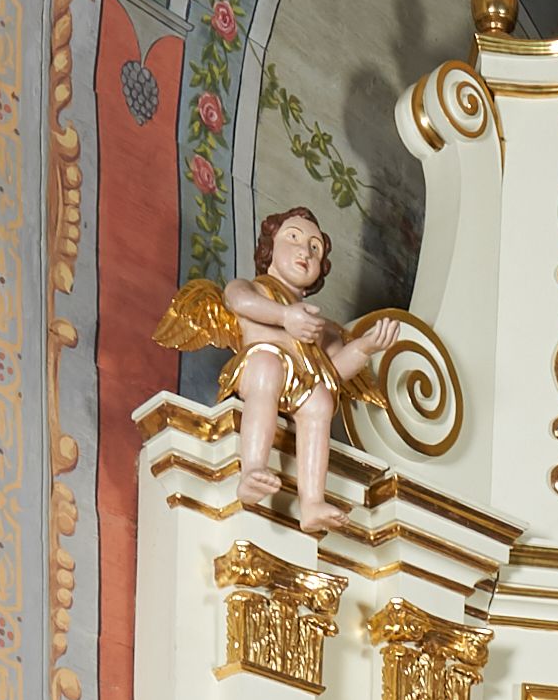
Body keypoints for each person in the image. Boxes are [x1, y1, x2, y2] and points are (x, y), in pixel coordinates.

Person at [154, 207, 400, 527]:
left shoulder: (321, 327)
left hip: (300, 385)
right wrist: (285, 317)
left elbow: (333, 372)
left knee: (321, 400)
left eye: (315, 248)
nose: (305, 251)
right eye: (293, 237)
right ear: (269, 248)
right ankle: (253, 469)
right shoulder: (255, 289)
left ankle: (312, 503)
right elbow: (238, 302)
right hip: (260, 371)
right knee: (268, 365)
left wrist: (364, 348)